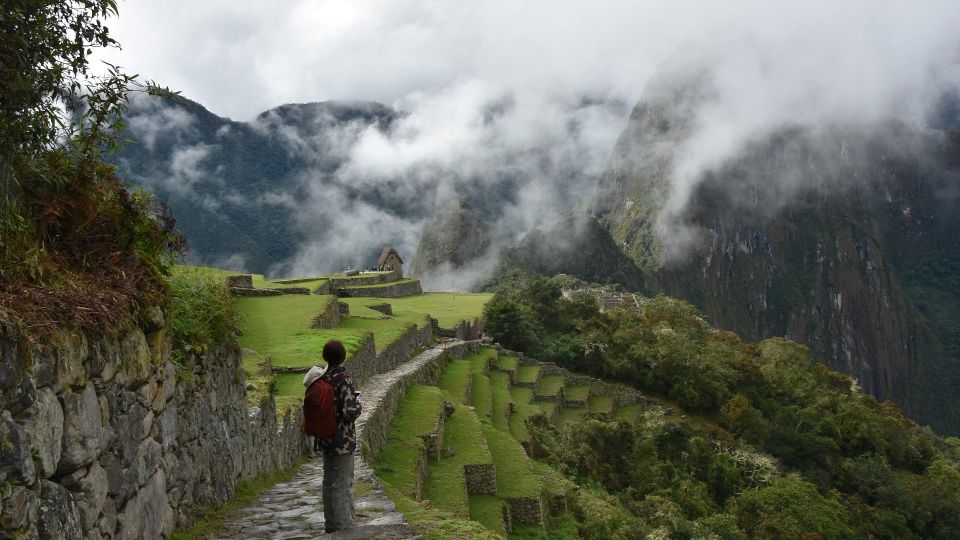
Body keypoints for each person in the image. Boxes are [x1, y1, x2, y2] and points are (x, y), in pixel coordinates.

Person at [316, 339, 362, 533]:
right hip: (342, 440)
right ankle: (343, 530)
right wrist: (358, 404)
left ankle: (331, 525)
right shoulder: (343, 378)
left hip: (325, 438)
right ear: (343, 357)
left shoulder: (321, 378)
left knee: (328, 482)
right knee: (342, 484)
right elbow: (349, 411)